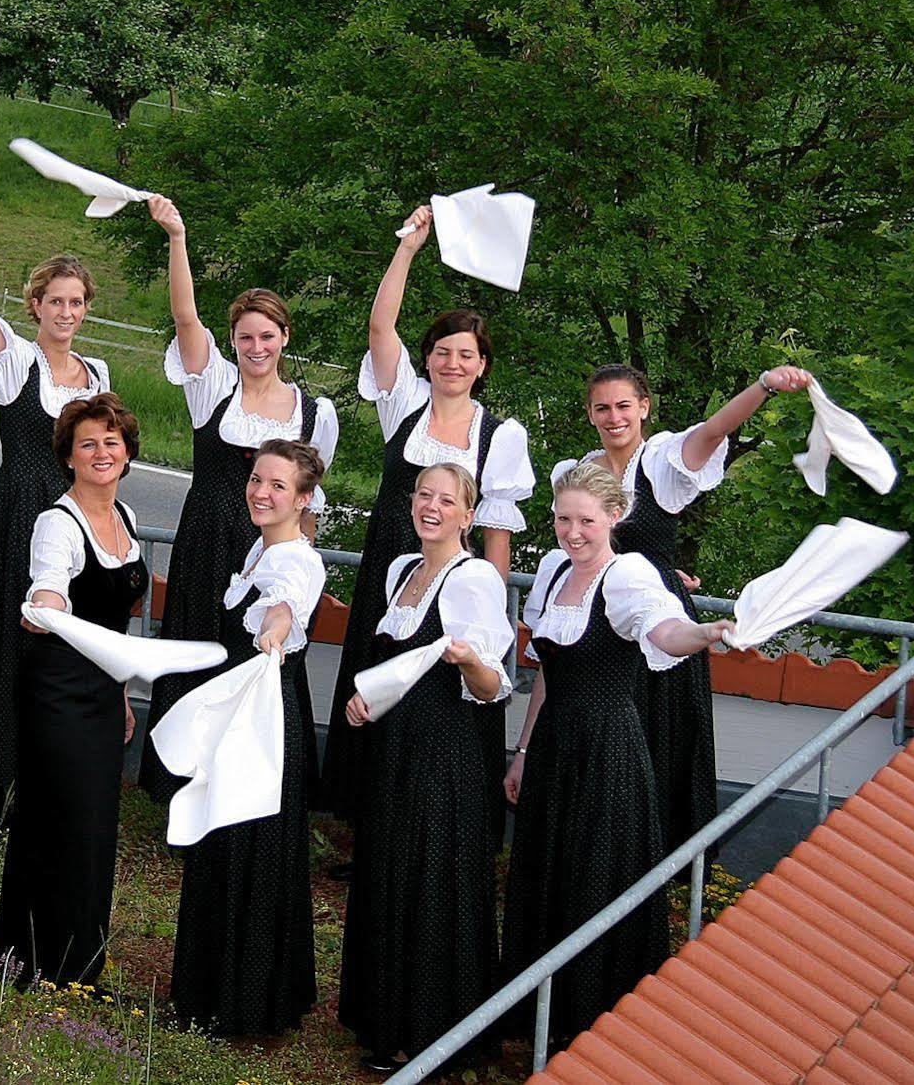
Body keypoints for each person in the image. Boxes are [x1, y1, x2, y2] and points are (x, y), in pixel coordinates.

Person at [500, 462, 734, 1046]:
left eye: (585, 521)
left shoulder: (627, 575)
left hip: (607, 752)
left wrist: (703, 634)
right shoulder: (553, 573)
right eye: (562, 519)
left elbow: (662, 632)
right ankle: (538, 1018)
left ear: (614, 517)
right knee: (546, 872)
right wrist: (524, 750)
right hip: (554, 745)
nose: (572, 532)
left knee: (594, 876)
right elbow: (549, 675)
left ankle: (594, 1021)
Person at [319, 203, 533, 822]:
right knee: (375, 684)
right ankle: (365, 826)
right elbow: (381, 330)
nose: (452, 363)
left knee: (438, 699)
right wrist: (408, 247)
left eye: (465, 354)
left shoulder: (500, 435)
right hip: (392, 568)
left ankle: (433, 821)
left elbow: (496, 530)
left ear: (482, 364)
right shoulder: (403, 403)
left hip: (454, 585)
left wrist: (488, 600)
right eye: (442, 351)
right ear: (429, 358)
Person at [552, 362, 812, 851]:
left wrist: (763, 385)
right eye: (602, 407)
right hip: (598, 624)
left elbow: (716, 429)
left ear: (644, 408)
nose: (614, 417)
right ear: (590, 414)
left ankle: (656, 862)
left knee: (656, 741)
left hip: (658, 622)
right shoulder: (577, 473)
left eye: (624, 405)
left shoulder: (662, 462)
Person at [137, 195, 339, 803]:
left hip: (271, 550)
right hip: (209, 538)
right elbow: (184, 317)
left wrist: (302, 565)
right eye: (245, 336)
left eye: (267, 336)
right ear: (233, 340)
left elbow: (311, 500)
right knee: (202, 648)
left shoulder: (313, 410)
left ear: (284, 338)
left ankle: (251, 782)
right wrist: (176, 236)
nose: (256, 347)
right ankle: (185, 781)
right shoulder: (212, 387)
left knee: (260, 652)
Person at [338, 463, 515, 1072]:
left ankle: (430, 1029)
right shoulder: (401, 570)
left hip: (445, 755)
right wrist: (368, 703)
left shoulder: (474, 580)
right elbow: (397, 669)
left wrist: (468, 660)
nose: (431, 507)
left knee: (431, 881)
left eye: (447, 500)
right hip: (395, 750)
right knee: (390, 873)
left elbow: (495, 689)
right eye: (423, 495)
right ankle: (383, 1021)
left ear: (469, 515)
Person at [0, 187, 112, 815]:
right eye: (55, 302)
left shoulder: (97, 373)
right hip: (19, 507)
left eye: (76, 303)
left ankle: (46, 769)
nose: (66, 312)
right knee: (8, 633)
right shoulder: (15, 361)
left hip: (73, 510)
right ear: (36, 306)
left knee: (62, 635)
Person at [0, 394, 146, 989]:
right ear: (70, 457)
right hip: (56, 689)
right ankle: (34, 962)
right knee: (58, 820)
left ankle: (77, 962)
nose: (101, 452)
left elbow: (115, 625)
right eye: (88, 444)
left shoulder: (125, 519)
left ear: (127, 452)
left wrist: (122, 692)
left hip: (102, 690)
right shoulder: (57, 523)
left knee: (95, 825)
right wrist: (45, 606)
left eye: (112, 441)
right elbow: (49, 588)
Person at [169, 439, 326, 1036]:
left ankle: (242, 998)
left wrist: (274, 627)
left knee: (250, 841)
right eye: (257, 480)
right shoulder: (260, 546)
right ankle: (216, 982)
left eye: (278, 486)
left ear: (303, 498)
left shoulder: (297, 560)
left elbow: (287, 604)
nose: (262, 492)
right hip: (238, 708)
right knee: (226, 836)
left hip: (264, 714)